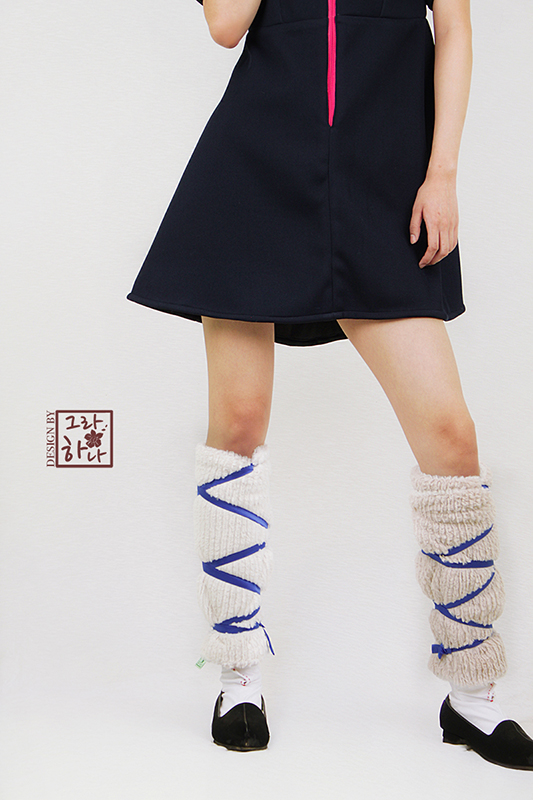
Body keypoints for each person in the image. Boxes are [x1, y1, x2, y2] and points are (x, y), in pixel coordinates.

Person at [127, 0, 533, 767]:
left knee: (450, 437)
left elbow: (454, 28)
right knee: (238, 423)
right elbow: (224, 25)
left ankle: (472, 694)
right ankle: (238, 677)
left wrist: (442, 173)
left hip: (388, 179)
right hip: (254, 171)